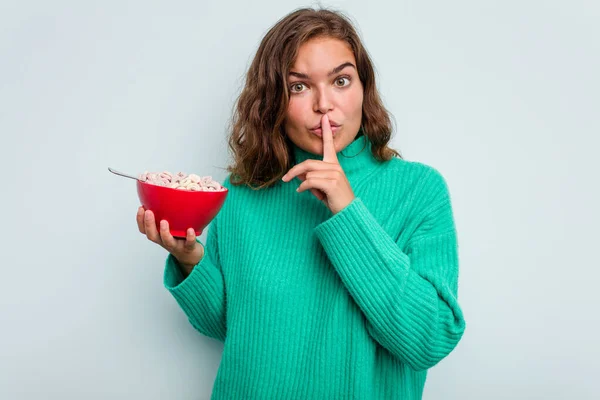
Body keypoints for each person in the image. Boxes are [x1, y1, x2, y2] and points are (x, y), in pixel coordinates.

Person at [136, 6, 466, 400]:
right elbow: (230, 326)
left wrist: (347, 210)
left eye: (341, 80)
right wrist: (191, 260)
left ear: (364, 87)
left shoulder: (418, 189)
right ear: (274, 100)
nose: (324, 104)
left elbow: (428, 340)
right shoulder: (243, 192)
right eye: (299, 87)